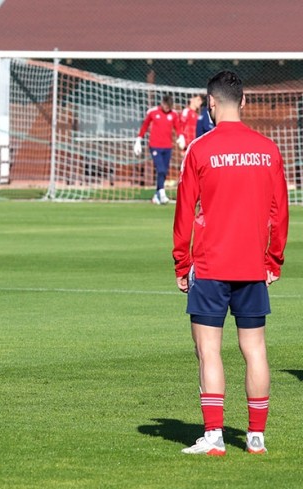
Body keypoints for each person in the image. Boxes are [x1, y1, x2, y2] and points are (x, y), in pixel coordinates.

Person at [173, 70, 288, 455]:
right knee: (255, 349)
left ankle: (214, 436)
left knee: (208, 349)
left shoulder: (200, 149)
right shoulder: (268, 149)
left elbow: (184, 212)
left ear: (210, 103)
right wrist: (273, 260)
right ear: (244, 102)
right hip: (252, 265)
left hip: (210, 266)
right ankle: (256, 437)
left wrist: (181, 262)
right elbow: (280, 211)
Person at [133, 94, 184, 204]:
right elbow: (145, 126)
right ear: (162, 103)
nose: (167, 108)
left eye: (169, 107)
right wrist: (138, 140)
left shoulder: (173, 114)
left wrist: (180, 136)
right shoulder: (153, 112)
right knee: (160, 169)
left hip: (168, 147)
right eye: (166, 106)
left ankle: (156, 196)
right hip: (155, 146)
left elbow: (178, 127)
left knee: (164, 171)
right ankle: (162, 193)